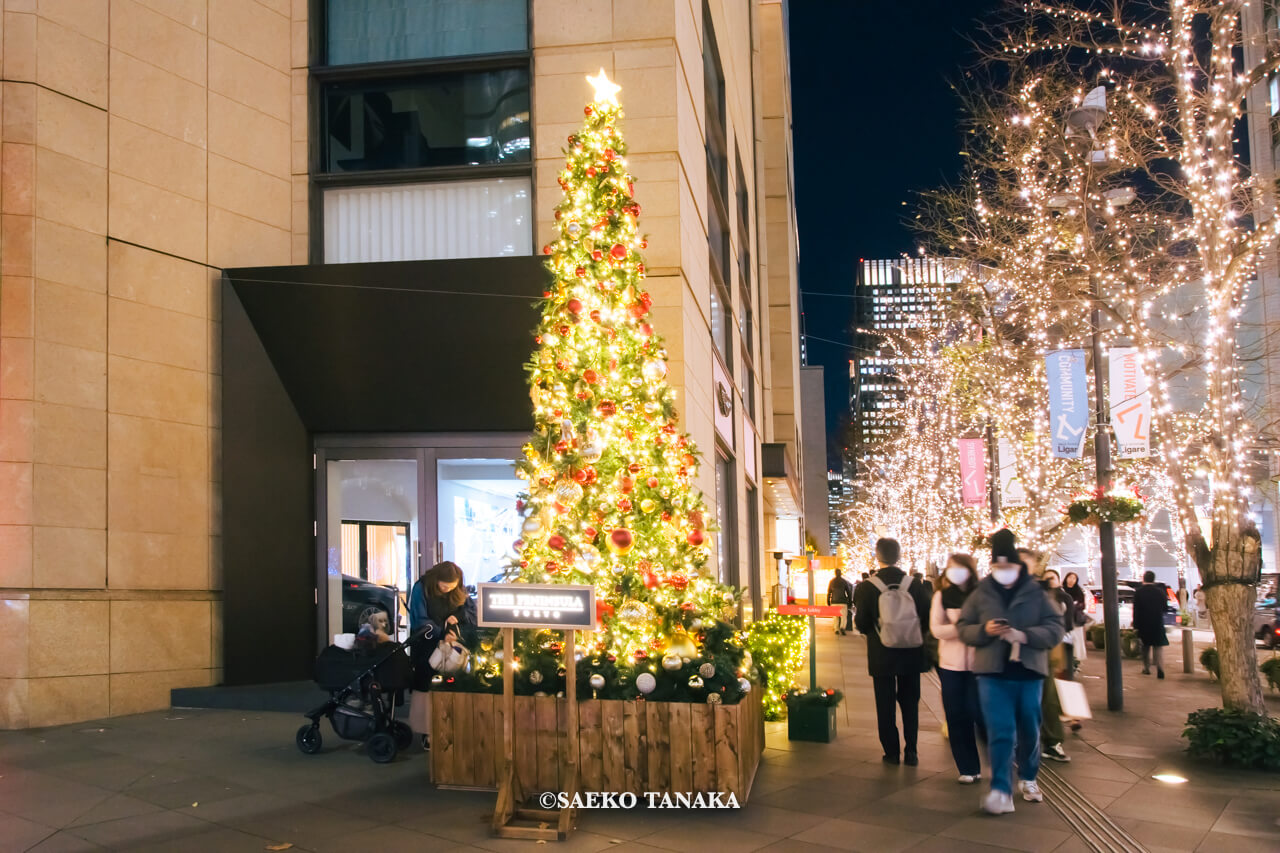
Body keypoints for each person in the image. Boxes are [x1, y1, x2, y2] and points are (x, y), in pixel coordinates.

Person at [957, 529, 1064, 816]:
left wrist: (1025, 635)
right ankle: (1001, 790)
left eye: (1008, 566)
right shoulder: (981, 593)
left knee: (1029, 727)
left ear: (1018, 566)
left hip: (1028, 672)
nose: (1003, 571)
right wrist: (984, 630)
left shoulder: (1037, 593)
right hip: (992, 673)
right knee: (1000, 730)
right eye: (997, 566)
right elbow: (964, 627)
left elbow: (1056, 627)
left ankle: (1028, 776)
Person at [854, 537, 931, 766]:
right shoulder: (914, 584)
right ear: (898, 555)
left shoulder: (868, 586)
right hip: (911, 653)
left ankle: (891, 752)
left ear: (877, 556)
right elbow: (926, 618)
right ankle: (912, 751)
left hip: (882, 654)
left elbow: (861, 622)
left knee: (885, 705)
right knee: (910, 704)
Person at [407, 561, 478, 748]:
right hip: (426, 645)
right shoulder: (422, 587)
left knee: (453, 684)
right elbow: (419, 620)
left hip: (454, 646)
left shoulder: (458, 589)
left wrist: (457, 619)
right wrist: (441, 633)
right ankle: (427, 732)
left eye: (451, 587)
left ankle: (453, 729)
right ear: (436, 580)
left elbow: (470, 612)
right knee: (426, 684)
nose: (447, 590)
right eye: (444, 586)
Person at [930, 553, 986, 783]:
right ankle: (967, 767)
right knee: (955, 714)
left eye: (959, 568)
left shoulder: (982, 595)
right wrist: (964, 629)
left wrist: (959, 628)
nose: (954, 572)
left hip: (978, 664)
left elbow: (986, 628)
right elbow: (936, 629)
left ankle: (996, 759)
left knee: (978, 712)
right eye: (951, 567)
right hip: (950, 665)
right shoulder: (942, 596)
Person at [1038, 569, 1073, 763]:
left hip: (1051, 654)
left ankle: (1052, 742)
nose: (1049, 582)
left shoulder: (1062, 599)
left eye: (1052, 578)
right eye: (1046, 579)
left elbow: (1065, 624)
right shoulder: (1036, 598)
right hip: (1037, 655)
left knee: (1050, 699)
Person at [1134, 570, 1168, 679]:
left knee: (1145, 647)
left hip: (1144, 623)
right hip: (1157, 622)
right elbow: (1165, 608)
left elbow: (1136, 610)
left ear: (1144, 579)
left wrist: (1136, 625)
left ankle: (1146, 668)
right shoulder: (1160, 592)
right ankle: (1160, 669)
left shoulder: (1139, 592)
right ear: (1153, 579)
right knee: (1158, 647)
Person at [827, 568, 854, 635]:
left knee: (835, 617)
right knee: (843, 616)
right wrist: (850, 601)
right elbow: (848, 592)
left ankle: (836, 629)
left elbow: (829, 592)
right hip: (843, 601)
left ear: (835, 573)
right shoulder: (844, 581)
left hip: (834, 601)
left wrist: (828, 601)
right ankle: (842, 627)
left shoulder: (832, 581)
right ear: (841, 573)